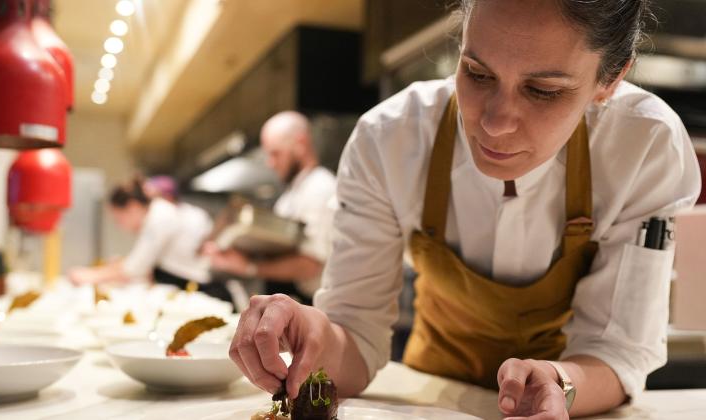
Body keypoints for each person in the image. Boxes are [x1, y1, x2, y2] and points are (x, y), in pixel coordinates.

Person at [228, 1, 702, 419]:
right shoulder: (389, 139)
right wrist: (315, 333)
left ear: (611, 79)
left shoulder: (645, 146)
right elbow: (356, 336)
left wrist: (560, 383)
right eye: (477, 73)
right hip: (429, 397)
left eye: (544, 91)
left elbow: (617, 351)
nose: (495, 124)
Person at [205, 111, 336, 305]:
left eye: (275, 153)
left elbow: (310, 265)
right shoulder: (290, 195)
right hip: (298, 298)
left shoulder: (321, 188)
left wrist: (249, 266)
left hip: (321, 306)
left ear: (300, 144)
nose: (270, 163)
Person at [68, 177, 232, 304]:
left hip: (205, 292)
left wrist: (89, 276)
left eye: (119, 219)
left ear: (132, 206)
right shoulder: (160, 212)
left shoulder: (160, 215)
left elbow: (134, 269)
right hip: (195, 288)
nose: (120, 226)